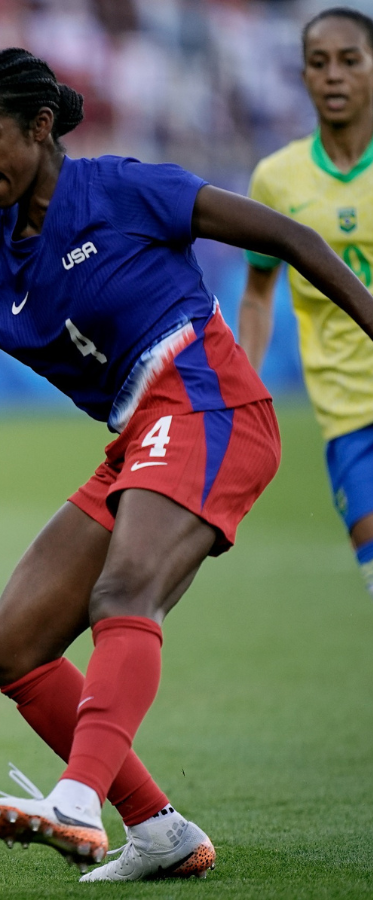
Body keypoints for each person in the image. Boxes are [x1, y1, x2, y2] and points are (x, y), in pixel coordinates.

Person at [0, 48, 373, 882]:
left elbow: (289, 236)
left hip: (211, 404)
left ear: (39, 126)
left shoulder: (125, 190)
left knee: (123, 594)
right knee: (12, 644)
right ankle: (159, 831)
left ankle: (76, 800)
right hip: (140, 434)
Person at [241, 7, 373, 596]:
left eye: (350, 60)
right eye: (319, 63)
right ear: (303, 77)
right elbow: (258, 294)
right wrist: (242, 384)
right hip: (349, 415)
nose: (334, 76)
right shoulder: (276, 179)